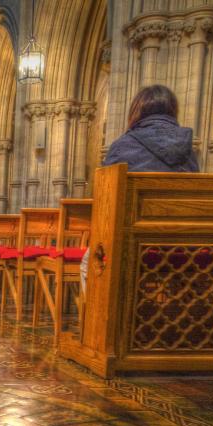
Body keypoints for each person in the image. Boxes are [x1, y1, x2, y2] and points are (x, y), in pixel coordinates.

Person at [82, 85, 198, 291]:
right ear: (172, 110)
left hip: (131, 246)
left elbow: (104, 199)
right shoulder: (189, 150)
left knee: (87, 265)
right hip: (182, 244)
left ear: (137, 111)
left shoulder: (122, 146)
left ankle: (101, 322)